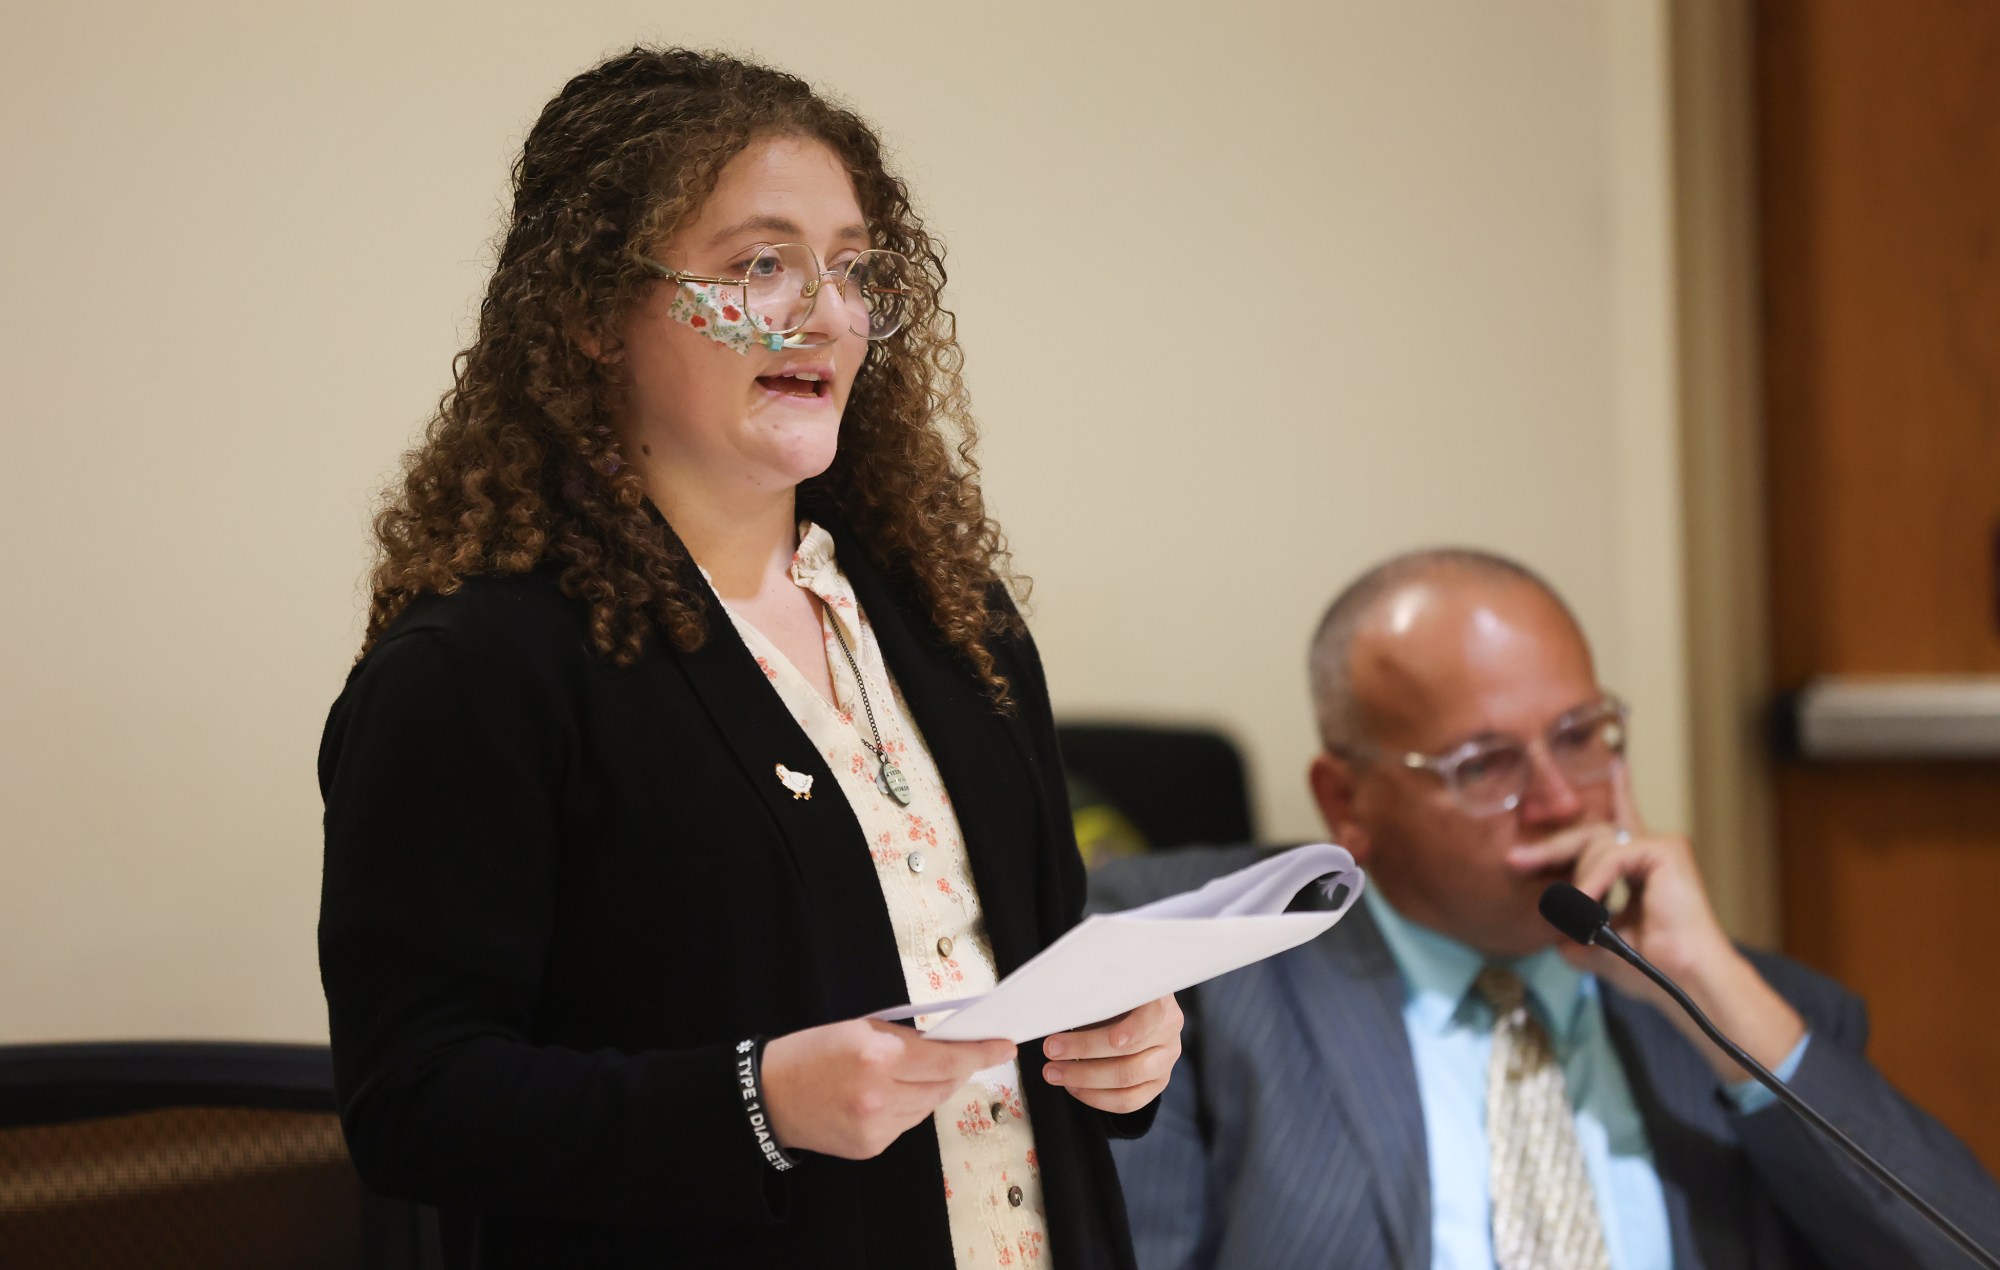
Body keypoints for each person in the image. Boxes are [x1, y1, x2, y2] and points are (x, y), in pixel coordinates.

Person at [317, 47, 1181, 1270]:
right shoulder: (477, 668)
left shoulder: (950, 620)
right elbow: (415, 1104)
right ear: (586, 314)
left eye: (852, 267)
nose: (827, 315)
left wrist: (1122, 1049)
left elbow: (1036, 979)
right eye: (760, 264)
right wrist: (754, 1104)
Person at [1091, 549, 2000, 1270]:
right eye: (1485, 765)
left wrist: (1709, 985)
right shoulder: (1200, 976)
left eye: (1580, 737)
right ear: (1348, 803)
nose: (1564, 799)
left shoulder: (1734, 1015)